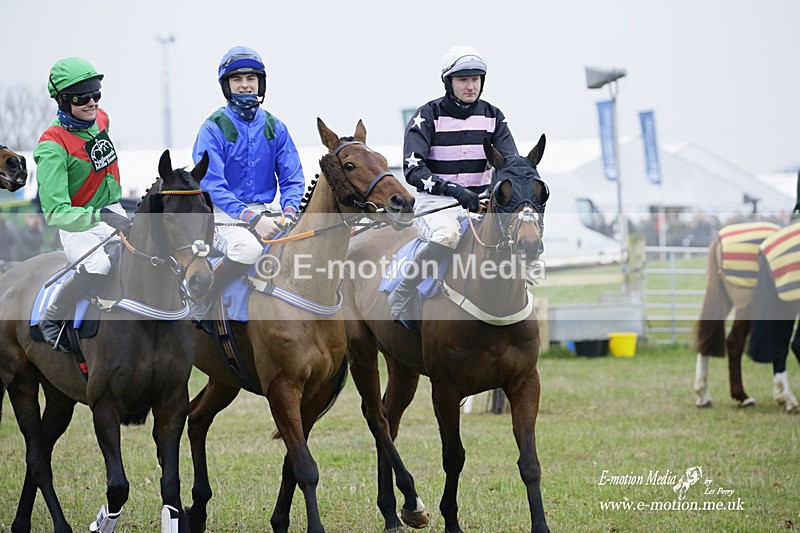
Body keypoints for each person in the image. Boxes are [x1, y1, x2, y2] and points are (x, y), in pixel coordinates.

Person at [390, 45, 519, 328]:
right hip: (438, 205)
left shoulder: (494, 116)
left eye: (475, 79)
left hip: (481, 204)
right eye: (463, 80)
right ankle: (404, 291)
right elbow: (413, 170)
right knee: (447, 235)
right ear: (448, 82)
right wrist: (455, 191)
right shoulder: (428, 115)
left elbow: (508, 164)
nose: (470, 86)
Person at [191, 45, 305, 326]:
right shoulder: (212, 127)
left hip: (266, 212)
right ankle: (200, 297)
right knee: (248, 251)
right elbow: (212, 184)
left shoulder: (276, 127)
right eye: (237, 80)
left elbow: (293, 178)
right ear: (227, 86)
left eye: (251, 79)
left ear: (260, 83)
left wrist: (289, 212)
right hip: (221, 216)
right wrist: (251, 219)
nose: (245, 86)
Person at [34, 57, 131, 352]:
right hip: (78, 224)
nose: (92, 103)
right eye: (82, 97)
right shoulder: (51, 145)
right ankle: (52, 317)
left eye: (96, 94)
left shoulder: (101, 119)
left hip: (113, 211)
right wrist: (96, 216)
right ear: (63, 100)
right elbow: (54, 212)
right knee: (100, 265)